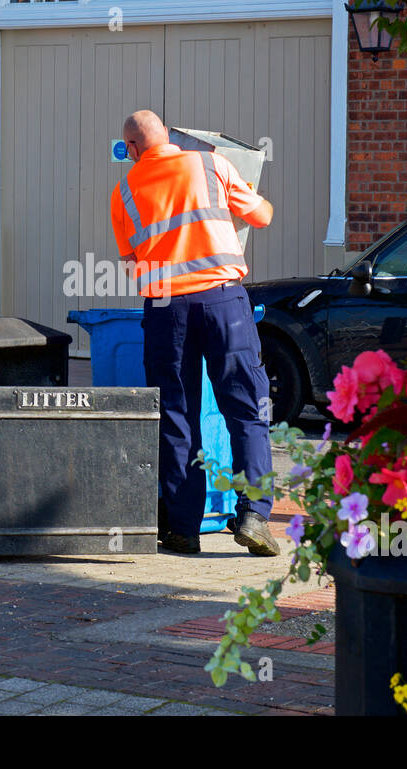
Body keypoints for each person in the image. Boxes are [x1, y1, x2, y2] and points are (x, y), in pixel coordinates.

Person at [109, 110, 281, 556]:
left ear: (131, 148)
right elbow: (261, 216)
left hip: (166, 311)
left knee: (176, 414)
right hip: (225, 303)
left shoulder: (124, 191)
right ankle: (255, 517)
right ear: (167, 136)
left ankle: (183, 528)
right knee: (246, 407)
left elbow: (133, 266)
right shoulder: (212, 164)